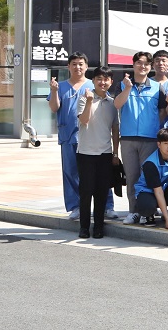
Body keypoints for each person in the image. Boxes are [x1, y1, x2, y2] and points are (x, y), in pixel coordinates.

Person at [49, 52, 112, 220]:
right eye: (74, 64)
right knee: (70, 172)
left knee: (100, 173)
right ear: (68, 67)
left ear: (86, 67)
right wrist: (54, 91)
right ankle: (75, 206)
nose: (77, 67)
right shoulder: (61, 86)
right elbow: (54, 108)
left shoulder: (94, 84)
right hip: (68, 135)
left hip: (92, 137)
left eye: (81, 64)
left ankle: (107, 206)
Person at [115, 51, 168, 225]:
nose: (143, 66)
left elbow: (163, 111)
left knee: (147, 176)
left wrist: (152, 123)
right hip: (128, 138)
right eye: (139, 63)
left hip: (149, 139)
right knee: (131, 176)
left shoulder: (157, 87)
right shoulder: (123, 84)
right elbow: (117, 104)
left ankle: (147, 211)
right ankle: (133, 211)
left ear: (150, 67)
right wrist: (127, 88)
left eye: (146, 64)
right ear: (133, 65)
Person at [75, 66, 120, 239]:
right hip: (85, 152)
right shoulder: (83, 98)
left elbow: (115, 130)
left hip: (105, 153)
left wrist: (115, 153)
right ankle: (84, 227)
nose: (102, 82)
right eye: (99, 79)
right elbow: (84, 120)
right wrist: (89, 101)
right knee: (86, 192)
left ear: (111, 82)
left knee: (101, 192)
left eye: (106, 79)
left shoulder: (112, 103)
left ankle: (99, 227)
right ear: (93, 80)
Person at [132, 127, 168, 230]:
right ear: (159, 144)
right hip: (148, 190)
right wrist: (167, 219)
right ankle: (147, 215)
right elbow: (158, 192)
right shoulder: (150, 164)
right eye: (166, 143)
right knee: (147, 205)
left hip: (165, 187)